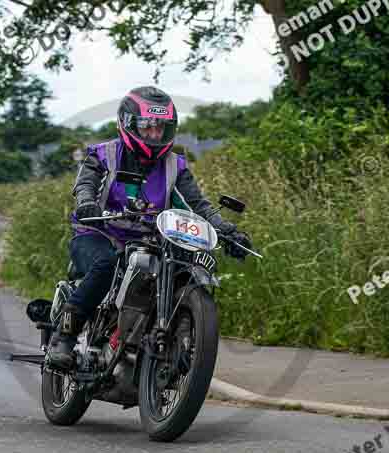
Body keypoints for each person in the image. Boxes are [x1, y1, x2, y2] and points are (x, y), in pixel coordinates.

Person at [47, 86, 252, 370]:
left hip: (150, 239)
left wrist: (226, 231)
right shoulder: (103, 154)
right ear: (129, 124)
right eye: (148, 127)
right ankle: (64, 337)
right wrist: (86, 204)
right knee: (105, 264)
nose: (155, 134)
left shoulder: (175, 166)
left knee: (180, 265)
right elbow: (85, 185)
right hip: (98, 233)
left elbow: (198, 206)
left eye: (162, 128)